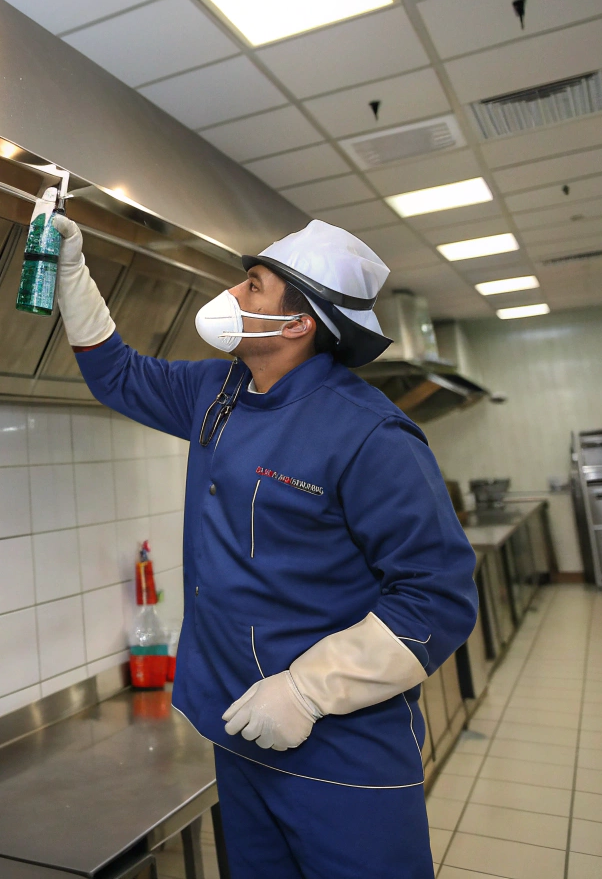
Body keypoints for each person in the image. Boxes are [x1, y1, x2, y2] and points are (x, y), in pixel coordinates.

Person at [51, 216, 478, 879]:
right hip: (239, 731)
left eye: (252, 286)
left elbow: (437, 598)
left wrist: (307, 692)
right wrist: (69, 274)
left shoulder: (370, 436)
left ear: (295, 325)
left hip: (339, 748)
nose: (232, 294)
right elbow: (119, 377)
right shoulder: (216, 393)